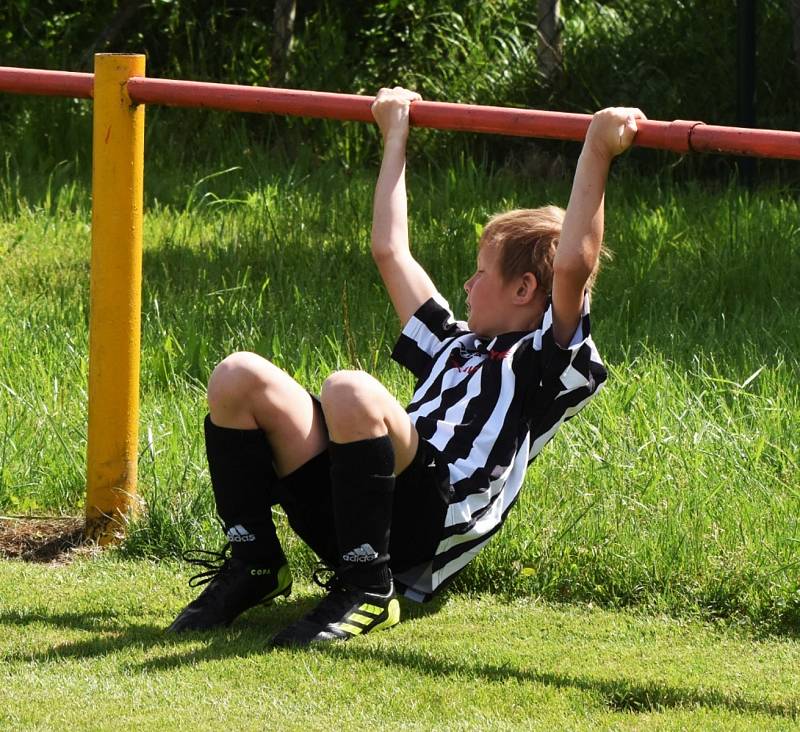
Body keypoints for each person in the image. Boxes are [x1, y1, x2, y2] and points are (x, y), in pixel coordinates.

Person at [167, 87, 644, 647]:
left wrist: (597, 147)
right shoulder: (454, 342)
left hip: (428, 525)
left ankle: (369, 590)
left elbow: (573, 265)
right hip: (361, 507)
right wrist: (395, 134)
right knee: (236, 375)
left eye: (480, 273)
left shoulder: (545, 361)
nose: (467, 285)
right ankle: (255, 564)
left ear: (523, 288)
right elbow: (390, 251)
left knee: (350, 389)